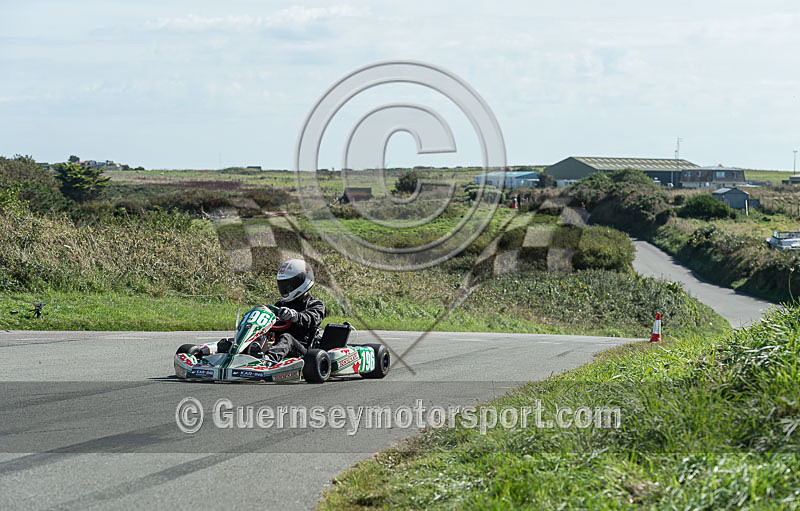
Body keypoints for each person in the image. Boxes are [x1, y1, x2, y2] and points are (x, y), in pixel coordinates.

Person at [249, 258, 325, 364]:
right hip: (277, 345)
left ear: (302, 282)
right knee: (254, 334)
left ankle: (269, 360)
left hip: (301, 350)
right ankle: (233, 353)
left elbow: (311, 319)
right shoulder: (280, 305)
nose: (286, 288)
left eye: (289, 285)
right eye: (283, 284)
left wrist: (295, 316)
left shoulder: (316, 304)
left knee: (286, 338)